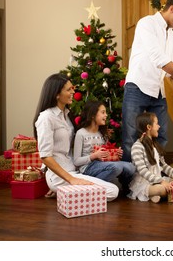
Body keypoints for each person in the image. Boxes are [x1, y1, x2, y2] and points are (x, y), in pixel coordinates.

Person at [122, 0, 173, 162]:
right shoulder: (146, 23)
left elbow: (167, 68)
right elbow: (158, 58)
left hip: (158, 91)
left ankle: (156, 173)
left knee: (162, 136)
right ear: (171, 8)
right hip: (137, 86)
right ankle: (131, 185)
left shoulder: (171, 35)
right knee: (130, 137)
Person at [33, 73, 119, 201]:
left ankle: (66, 194)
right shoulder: (46, 118)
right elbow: (45, 156)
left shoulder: (67, 115)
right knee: (112, 191)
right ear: (57, 94)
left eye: (72, 88)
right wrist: (72, 180)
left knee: (116, 186)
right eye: (69, 89)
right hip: (60, 176)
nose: (73, 91)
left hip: (73, 171)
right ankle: (64, 192)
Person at [73, 100, 136, 193]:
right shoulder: (81, 133)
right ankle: (91, 185)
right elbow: (76, 161)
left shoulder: (102, 133)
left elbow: (106, 156)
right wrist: (94, 156)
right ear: (93, 115)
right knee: (116, 167)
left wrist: (115, 153)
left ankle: (125, 188)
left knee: (131, 167)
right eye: (103, 112)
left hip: (101, 165)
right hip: (87, 167)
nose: (106, 115)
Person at [128, 112, 173, 203]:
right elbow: (143, 171)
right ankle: (155, 193)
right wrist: (161, 181)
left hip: (157, 180)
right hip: (145, 184)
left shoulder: (155, 145)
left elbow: (163, 165)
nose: (159, 126)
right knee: (163, 189)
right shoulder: (137, 147)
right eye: (156, 123)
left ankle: (157, 195)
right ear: (149, 127)